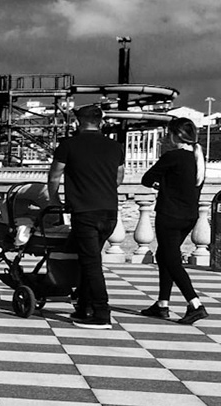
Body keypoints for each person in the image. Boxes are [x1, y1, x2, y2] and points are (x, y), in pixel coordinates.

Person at [47, 103, 125, 328]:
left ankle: (101, 313)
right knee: (86, 260)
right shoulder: (115, 147)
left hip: (85, 211)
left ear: (78, 122)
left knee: (91, 263)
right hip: (109, 212)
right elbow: (118, 178)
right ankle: (83, 307)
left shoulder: (68, 145)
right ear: (100, 121)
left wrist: (54, 200)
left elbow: (54, 176)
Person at [140, 117, 210, 324]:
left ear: (175, 135)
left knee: (171, 260)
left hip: (169, 215)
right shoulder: (198, 159)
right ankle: (162, 304)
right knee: (164, 256)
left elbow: (146, 179)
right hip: (189, 216)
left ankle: (195, 304)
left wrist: (160, 186)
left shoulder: (173, 157)